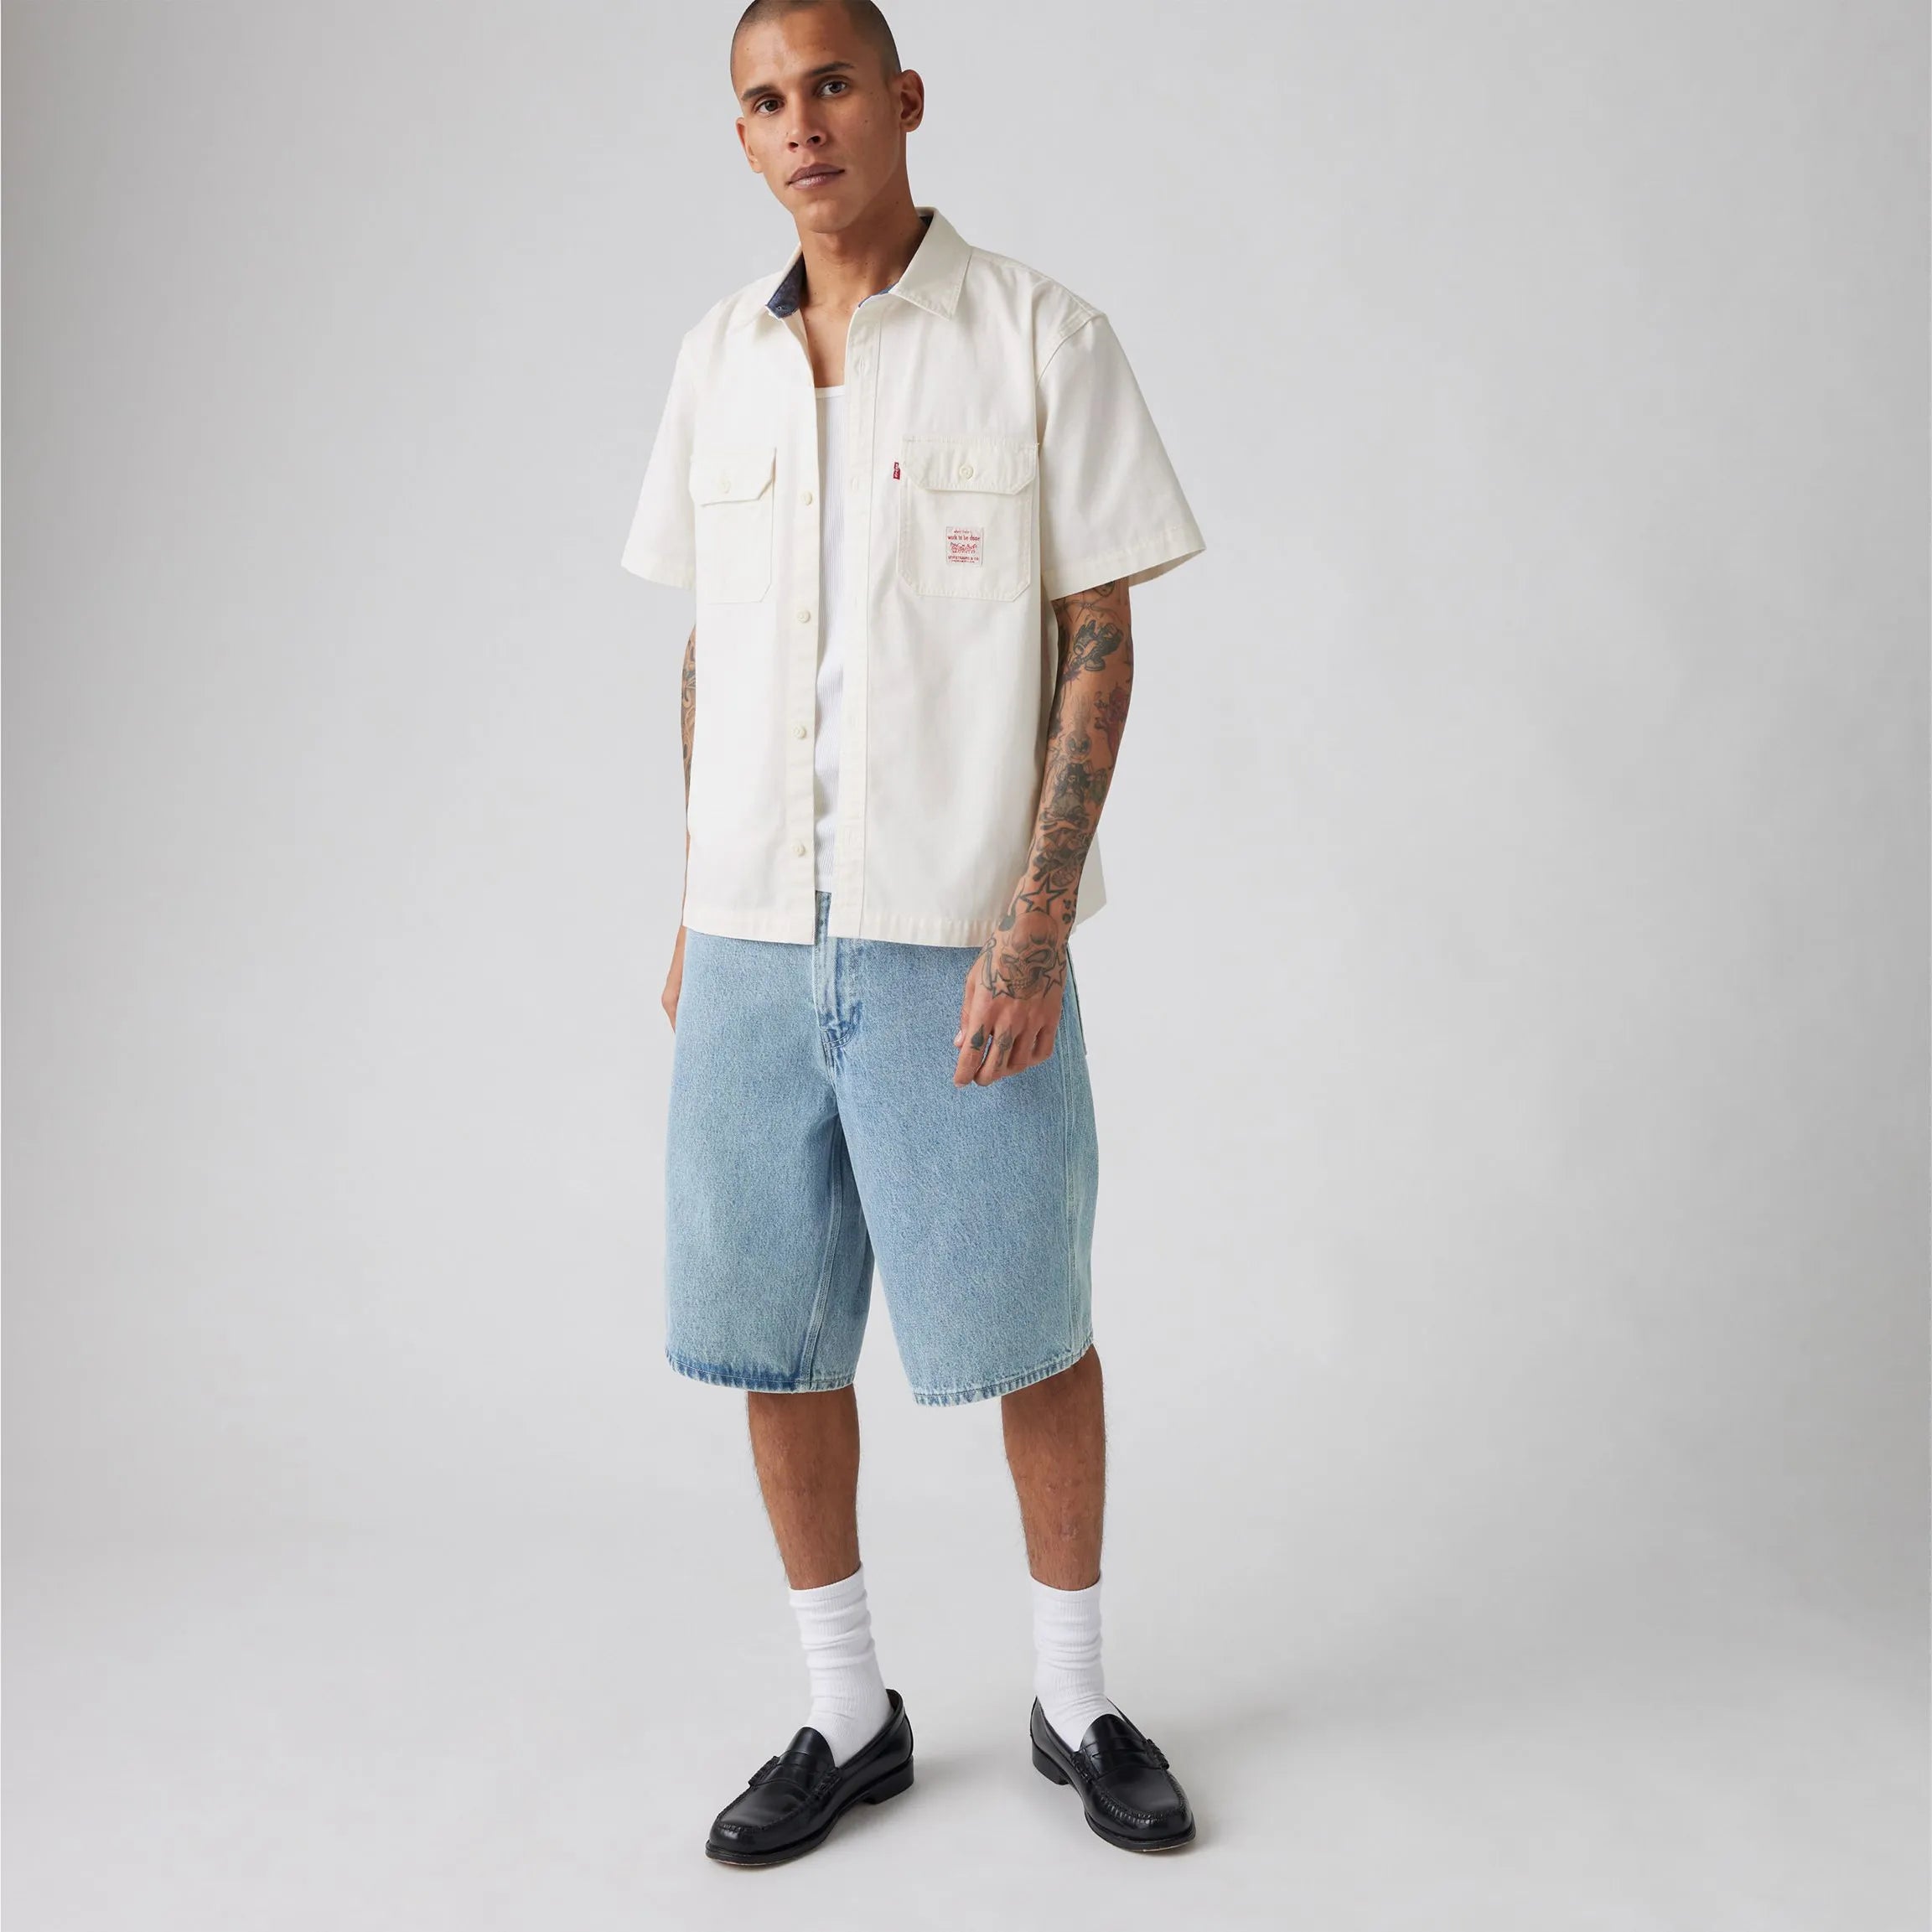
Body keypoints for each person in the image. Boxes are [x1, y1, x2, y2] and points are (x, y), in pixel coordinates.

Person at [618, 0, 1206, 1865]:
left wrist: (1032, 924)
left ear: (903, 99)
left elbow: (1099, 643)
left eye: (831, 86)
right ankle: (846, 1708)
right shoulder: (714, 362)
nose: (802, 125)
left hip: (955, 930)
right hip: (748, 936)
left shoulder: (1039, 337)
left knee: (1031, 1325)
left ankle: (1076, 1697)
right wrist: (694, 901)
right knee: (772, 1341)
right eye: (764, 101)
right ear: (742, 136)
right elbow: (713, 653)